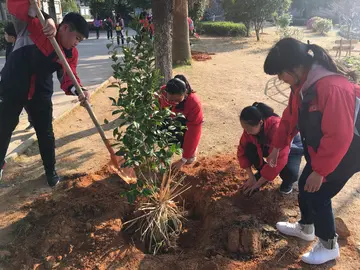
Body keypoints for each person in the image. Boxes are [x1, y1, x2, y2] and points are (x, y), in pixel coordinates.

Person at [264, 38, 360, 265]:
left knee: (318, 192)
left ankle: (329, 245)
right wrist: (277, 147)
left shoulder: (332, 88)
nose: (280, 79)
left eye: (281, 73)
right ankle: (306, 228)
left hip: (349, 151)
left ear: (296, 67)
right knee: (306, 185)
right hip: (326, 149)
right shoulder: (301, 86)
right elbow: (289, 119)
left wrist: (321, 171)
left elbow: (339, 136)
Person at [0, 0, 90, 187]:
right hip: (13, 84)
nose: (76, 44)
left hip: (40, 89)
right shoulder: (36, 26)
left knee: (45, 132)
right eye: (77, 38)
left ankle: (51, 172)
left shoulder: (70, 53)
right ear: (64, 28)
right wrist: (46, 17)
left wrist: (80, 91)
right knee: (4, 127)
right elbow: (15, 6)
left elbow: (69, 78)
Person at [238, 102, 303, 196]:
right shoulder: (249, 130)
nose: (247, 132)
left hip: (292, 147)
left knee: (290, 172)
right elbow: (242, 150)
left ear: (260, 123)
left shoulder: (277, 128)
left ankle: (287, 183)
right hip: (270, 146)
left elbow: (280, 160)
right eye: (245, 129)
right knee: (249, 148)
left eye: (249, 129)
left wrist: (257, 184)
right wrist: (251, 177)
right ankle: (262, 173)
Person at [159, 75, 203, 170]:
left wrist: (183, 159)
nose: (174, 103)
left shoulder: (194, 104)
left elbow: (193, 133)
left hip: (184, 124)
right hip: (168, 119)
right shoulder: (163, 92)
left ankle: (191, 152)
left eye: (177, 100)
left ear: (185, 93)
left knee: (189, 159)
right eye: (170, 100)